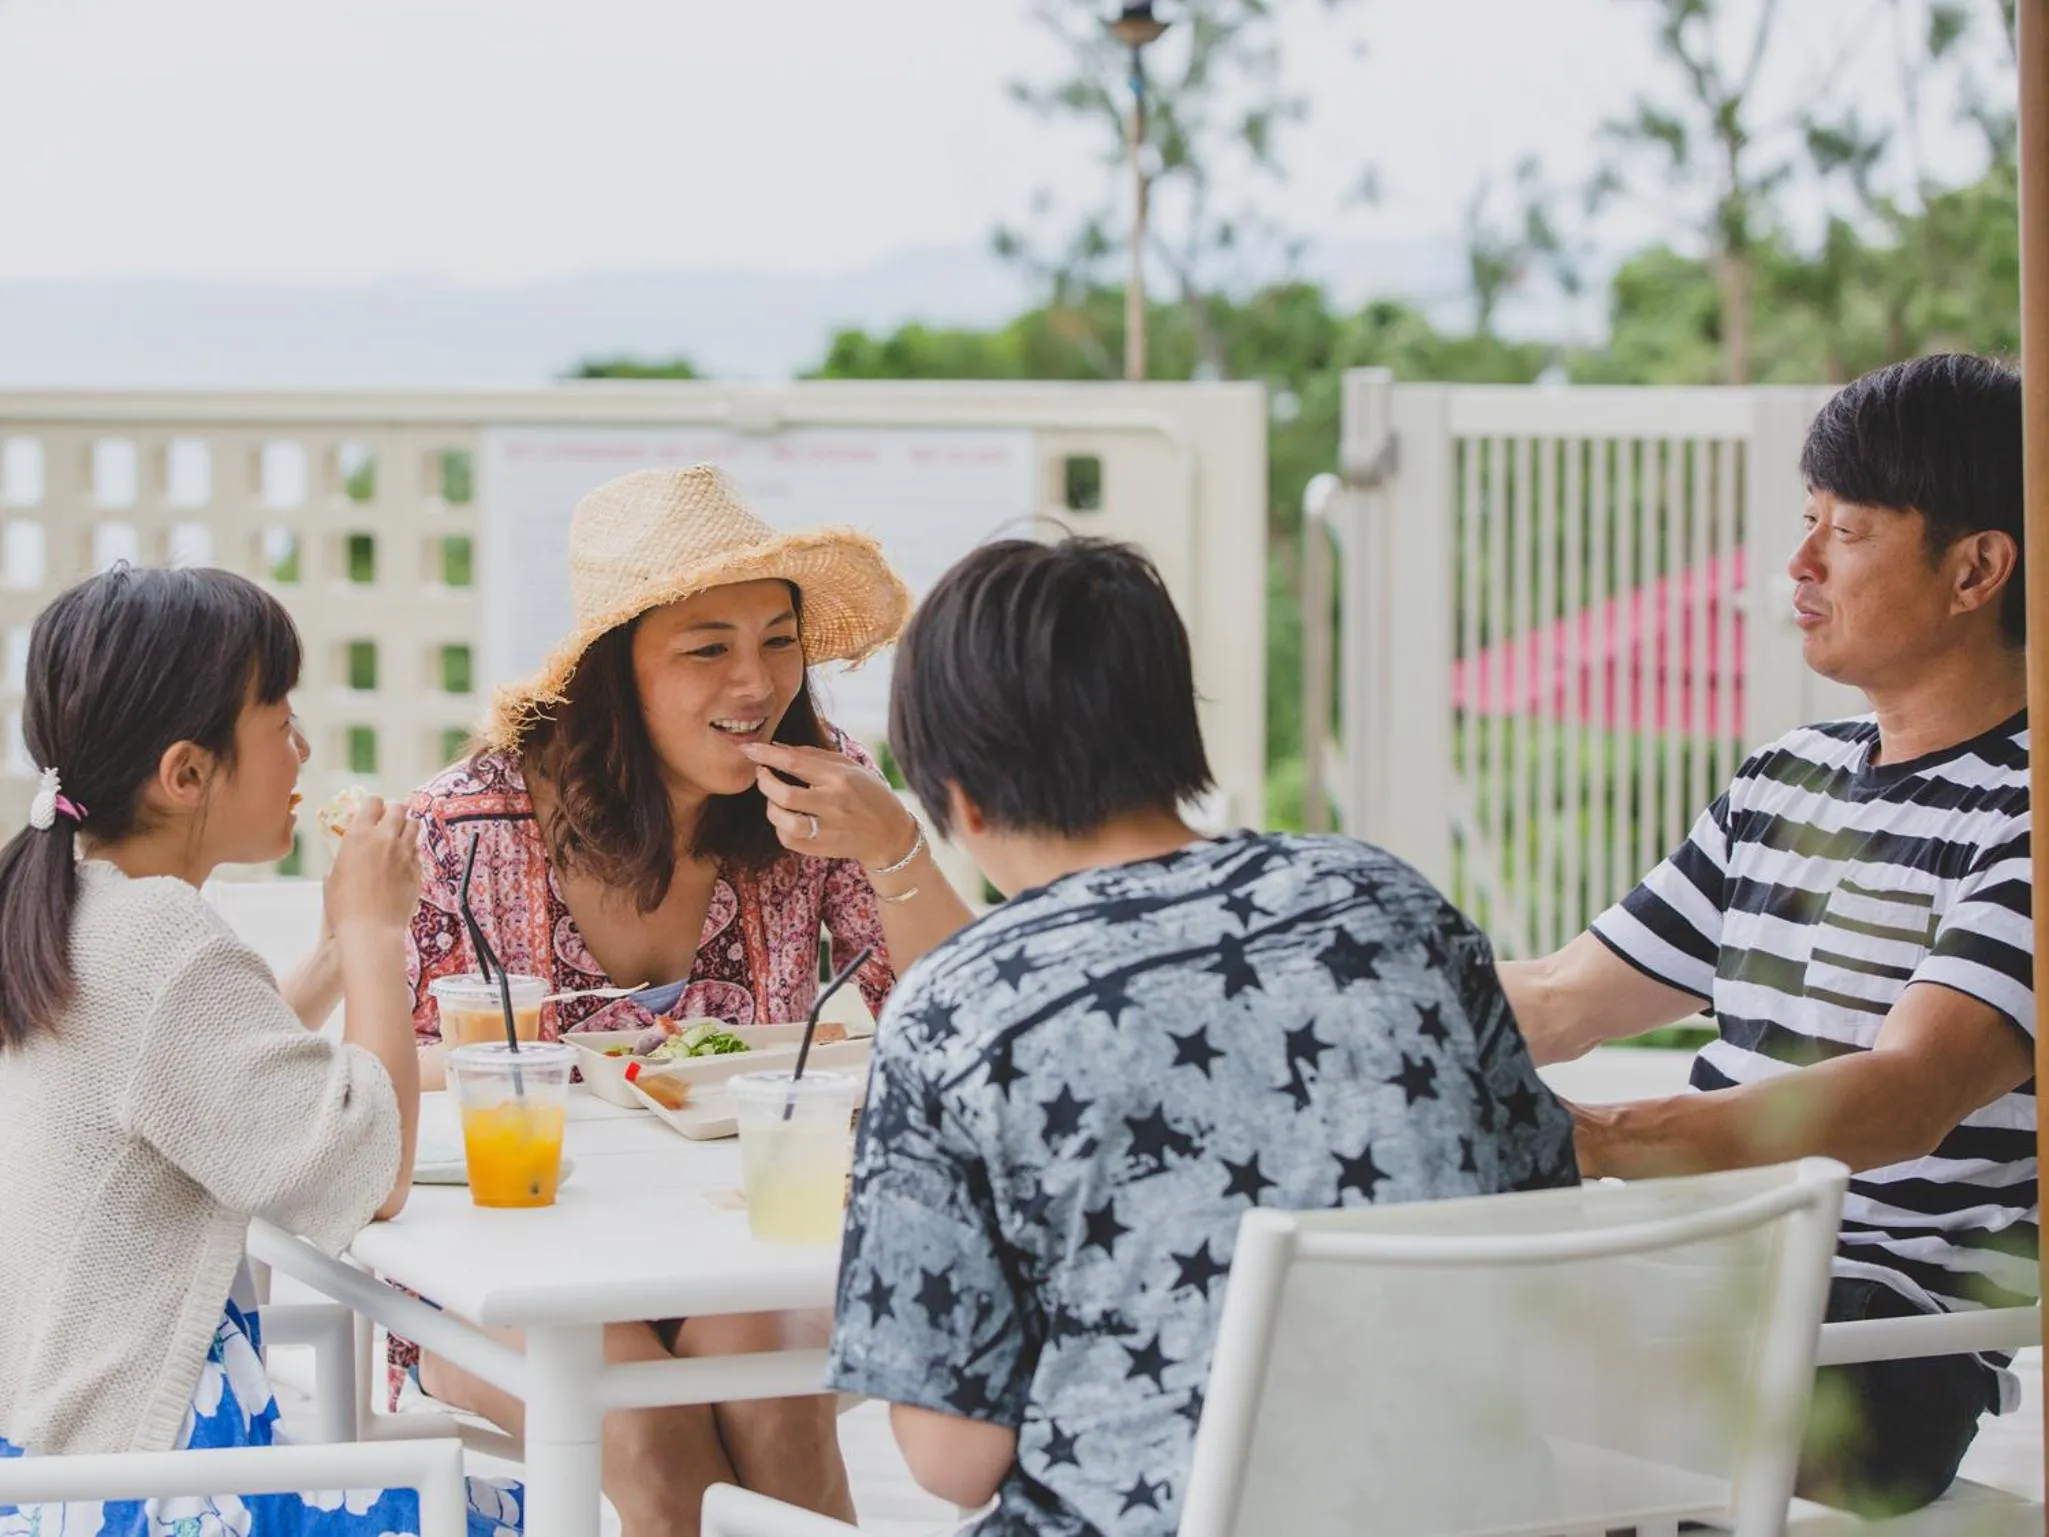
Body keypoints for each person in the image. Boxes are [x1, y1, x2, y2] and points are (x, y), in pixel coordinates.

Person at [823, 535, 1579, 1535]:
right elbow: (1543, 1215)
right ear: (1173, 732)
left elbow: (955, 1460)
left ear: (955, 793)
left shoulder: (959, 1004)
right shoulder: (1387, 901)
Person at [1499, 354, 2032, 1515]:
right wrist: (1336, 1010)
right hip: (1682, 1274)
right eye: (1807, 524)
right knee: (1378, 1318)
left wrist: (1587, 1138)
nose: (1797, 565)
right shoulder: (1781, 781)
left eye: (1845, 532)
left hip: (1876, 1345)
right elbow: (1556, 996)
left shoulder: (2031, 811)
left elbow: (1903, 1097)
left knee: (1415, 1342)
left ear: (1976, 568)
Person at [400, 465, 975, 1534]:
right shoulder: (467, 823)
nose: (756, 684)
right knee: (657, 1450)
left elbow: (960, 1021)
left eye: (778, 639)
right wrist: (587, 1067)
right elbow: (388, 1063)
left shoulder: (819, 789)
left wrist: (895, 843)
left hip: (729, 1241)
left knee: (774, 1398)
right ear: (615, 674)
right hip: (519, 1259)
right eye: (708, 648)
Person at [0, 565, 518, 1536]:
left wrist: (329, 952)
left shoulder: (75, 904)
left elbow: (196, 1080)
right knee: (532, 1512)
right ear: (187, 773)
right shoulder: (162, 942)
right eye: (278, 718)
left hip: (54, 1476)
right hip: (151, 1493)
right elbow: (376, 1167)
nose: (305, 749)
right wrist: (374, 936)